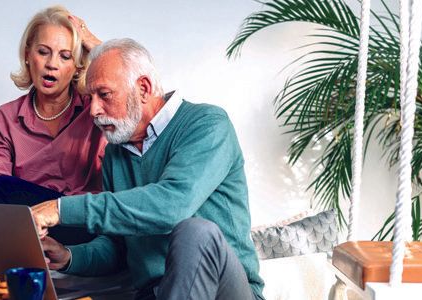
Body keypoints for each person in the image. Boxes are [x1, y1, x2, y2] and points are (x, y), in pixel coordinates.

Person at [31, 39, 265, 299]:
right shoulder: (115, 154)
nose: (94, 110)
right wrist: (69, 257)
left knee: (197, 232)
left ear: (143, 88)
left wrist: (61, 209)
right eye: (90, 98)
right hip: (153, 294)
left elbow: (171, 206)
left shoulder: (208, 124)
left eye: (104, 95)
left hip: (223, 292)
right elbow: (116, 246)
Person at [0, 5, 103, 245]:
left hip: (84, 223)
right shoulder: (6, 118)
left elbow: (135, 98)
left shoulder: (96, 107)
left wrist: (96, 45)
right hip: (31, 224)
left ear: (77, 66)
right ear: (27, 54)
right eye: (43, 52)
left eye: (65, 56)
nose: (52, 64)